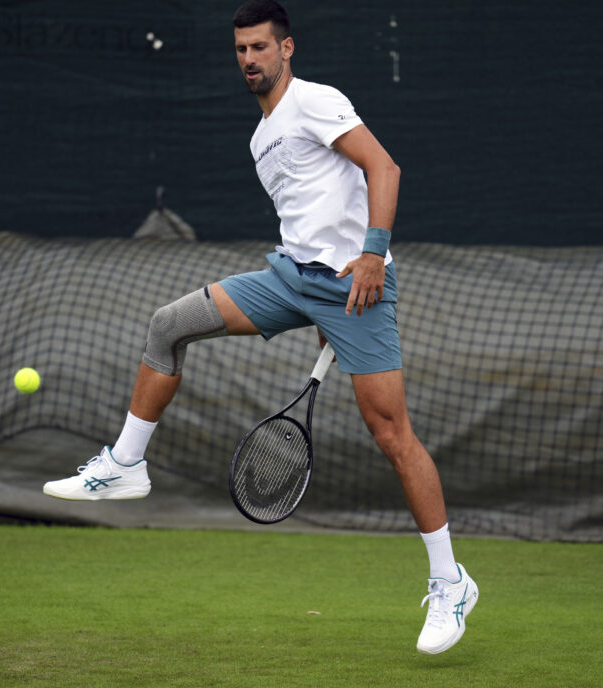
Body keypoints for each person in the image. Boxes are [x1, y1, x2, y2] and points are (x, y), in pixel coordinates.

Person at [43, 0, 478, 655]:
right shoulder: (260, 137)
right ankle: (125, 464)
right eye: (241, 49)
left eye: (260, 48)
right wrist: (310, 294)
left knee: (392, 435)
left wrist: (370, 253)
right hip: (289, 278)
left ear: (287, 49)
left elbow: (382, 168)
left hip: (354, 289)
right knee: (168, 325)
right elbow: (312, 215)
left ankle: (451, 582)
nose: (249, 59)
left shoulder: (315, 101)